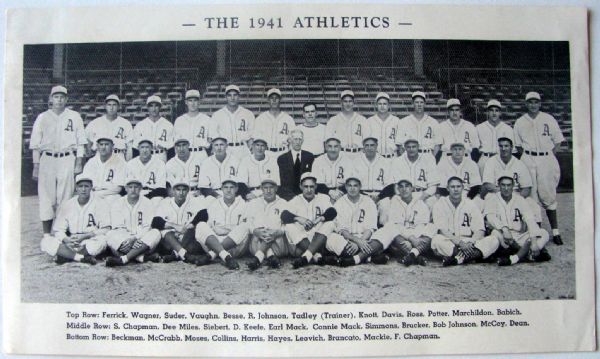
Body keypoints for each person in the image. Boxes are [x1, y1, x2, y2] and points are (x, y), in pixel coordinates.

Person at [29, 85, 87, 236]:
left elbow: (81, 142)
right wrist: (36, 165)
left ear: (66, 99)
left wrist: (79, 162)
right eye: (56, 96)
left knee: (66, 196)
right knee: (46, 196)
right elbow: (35, 143)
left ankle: (61, 232)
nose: (59, 100)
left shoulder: (74, 116)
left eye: (62, 97)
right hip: (47, 159)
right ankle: (47, 234)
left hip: (67, 157)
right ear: (51, 99)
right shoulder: (42, 117)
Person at [514, 91, 565, 245]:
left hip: (546, 157)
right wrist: (529, 158)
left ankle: (555, 232)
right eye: (530, 102)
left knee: (548, 194)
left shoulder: (548, 119)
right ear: (526, 104)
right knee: (532, 196)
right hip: (528, 157)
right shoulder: (520, 122)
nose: (533, 105)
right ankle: (538, 232)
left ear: (540, 103)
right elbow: (518, 145)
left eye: (536, 102)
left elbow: (557, 141)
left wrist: (547, 156)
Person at [40, 174, 110, 265]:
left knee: (102, 241)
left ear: (91, 188)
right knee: (46, 241)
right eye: (81, 186)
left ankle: (66, 255)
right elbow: (58, 230)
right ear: (76, 188)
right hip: (71, 240)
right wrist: (66, 239)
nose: (83, 189)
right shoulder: (68, 204)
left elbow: (106, 228)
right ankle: (80, 257)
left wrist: (86, 236)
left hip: (89, 239)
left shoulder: (100, 203)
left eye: (86, 186)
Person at [430, 177, 499, 266]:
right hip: (451, 241)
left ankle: (459, 259)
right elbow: (442, 230)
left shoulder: (470, 204)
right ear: (447, 188)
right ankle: (472, 257)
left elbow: (480, 229)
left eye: (458, 186)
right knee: (436, 240)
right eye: (452, 187)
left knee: (494, 240)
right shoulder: (440, 204)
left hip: (469, 241)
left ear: (463, 188)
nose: (456, 189)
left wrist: (471, 242)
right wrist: (460, 243)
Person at [484, 176, 551, 266]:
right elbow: (490, 217)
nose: (506, 188)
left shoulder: (520, 199)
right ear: (498, 186)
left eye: (509, 185)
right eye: (503, 185)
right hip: (502, 236)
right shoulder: (492, 199)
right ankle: (528, 253)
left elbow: (530, 219)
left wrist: (534, 242)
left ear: (513, 186)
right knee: (495, 234)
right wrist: (504, 229)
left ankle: (515, 257)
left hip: (519, 235)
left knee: (543, 233)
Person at [324, 176, 389, 267]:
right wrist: (356, 241)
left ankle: (356, 258)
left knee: (384, 233)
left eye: (355, 185)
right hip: (347, 239)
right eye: (349, 185)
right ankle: (370, 257)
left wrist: (360, 242)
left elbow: (371, 228)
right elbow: (342, 230)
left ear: (360, 187)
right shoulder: (340, 203)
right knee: (330, 238)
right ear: (346, 187)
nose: (352, 188)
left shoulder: (368, 201)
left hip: (365, 238)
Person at [281, 172, 337, 268]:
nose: (309, 190)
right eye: (306, 186)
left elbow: (332, 211)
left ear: (316, 186)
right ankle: (316, 256)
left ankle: (306, 256)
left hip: (318, 236)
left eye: (311, 186)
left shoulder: (323, 198)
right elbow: (284, 215)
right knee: (289, 226)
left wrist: (319, 219)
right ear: (301, 187)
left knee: (330, 223)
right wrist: (299, 219)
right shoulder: (295, 200)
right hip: (302, 238)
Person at [150, 177, 211, 265]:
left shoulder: (194, 201)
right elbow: (155, 222)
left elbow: (204, 214)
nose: (181, 193)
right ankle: (185, 255)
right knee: (165, 232)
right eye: (178, 189)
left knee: (193, 233)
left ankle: (176, 254)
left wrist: (192, 224)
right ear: (173, 190)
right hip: (171, 240)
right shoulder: (165, 202)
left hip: (187, 237)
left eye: (184, 190)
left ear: (188, 191)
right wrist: (174, 226)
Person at [104, 175, 162, 266]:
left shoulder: (148, 203)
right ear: (126, 189)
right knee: (109, 234)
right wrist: (128, 239)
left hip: (141, 239)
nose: (133, 189)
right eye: (130, 187)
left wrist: (135, 238)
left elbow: (148, 226)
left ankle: (124, 259)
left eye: (136, 187)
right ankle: (141, 258)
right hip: (125, 240)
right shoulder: (118, 203)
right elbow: (118, 227)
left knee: (156, 232)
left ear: (140, 188)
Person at [375, 178, 434, 266]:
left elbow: (422, 225)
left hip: (416, 233)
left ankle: (411, 254)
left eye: (407, 186)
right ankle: (416, 256)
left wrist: (414, 239)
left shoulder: (420, 203)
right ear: (398, 189)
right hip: (401, 235)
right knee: (390, 226)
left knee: (432, 227)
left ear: (412, 188)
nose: (404, 189)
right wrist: (411, 239)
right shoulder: (394, 202)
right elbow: (397, 226)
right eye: (401, 187)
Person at [481, 137, 541, 224]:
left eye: (506, 146)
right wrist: (503, 193)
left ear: (512, 148)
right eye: (501, 146)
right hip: (496, 193)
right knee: (489, 201)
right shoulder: (491, 162)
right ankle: (490, 229)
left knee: (533, 205)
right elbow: (487, 184)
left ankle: (536, 230)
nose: (503, 149)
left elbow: (526, 187)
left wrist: (517, 198)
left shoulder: (519, 164)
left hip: (515, 193)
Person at [194, 178, 251, 270]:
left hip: (234, 247)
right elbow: (210, 228)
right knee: (201, 225)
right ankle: (226, 257)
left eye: (232, 187)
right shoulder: (214, 204)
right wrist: (227, 229)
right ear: (221, 189)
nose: (228, 190)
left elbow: (241, 232)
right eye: (226, 187)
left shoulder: (244, 204)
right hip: (215, 242)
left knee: (245, 226)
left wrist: (223, 230)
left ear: (236, 189)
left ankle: (212, 255)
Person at [245, 175, 289, 270]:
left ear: (276, 188)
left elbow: (288, 226)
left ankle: (258, 258)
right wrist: (255, 231)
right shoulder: (254, 203)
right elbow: (247, 222)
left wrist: (279, 232)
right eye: (265, 188)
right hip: (257, 241)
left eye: (271, 187)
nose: (268, 191)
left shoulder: (284, 203)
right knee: (260, 229)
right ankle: (271, 257)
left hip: (277, 243)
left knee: (271, 229)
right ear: (261, 189)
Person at [390, 138, 439, 209]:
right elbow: (396, 186)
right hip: (404, 195)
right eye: (409, 147)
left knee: (432, 202)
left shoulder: (428, 160)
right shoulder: (398, 161)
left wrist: (421, 198)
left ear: (418, 147)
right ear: (405, 148)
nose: (411, 149)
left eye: (414, 146)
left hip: (423, 194)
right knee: (394, 201)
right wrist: (404, 198)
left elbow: (433, 186)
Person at [212, 84, 255, 159]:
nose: (232, 98)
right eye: (229, 95)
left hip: (243, 149)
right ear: (226, 97)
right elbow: (214, 136)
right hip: (225, 149)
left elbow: (252, 135)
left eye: (235, 95)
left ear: (239, 97)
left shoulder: (248, 114)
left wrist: (250, 148)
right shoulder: (217, 115)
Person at [85, 94, 133, 160]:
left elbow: (129, 148)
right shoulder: (95, 123)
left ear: (118, 107)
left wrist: (128, 164)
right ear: (105, 106)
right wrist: (91, 158)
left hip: (118, 155)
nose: (111, 107)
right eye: (109, 105)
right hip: (100, 156)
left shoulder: (126, 124)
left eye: (114, 105)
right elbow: (88, 142)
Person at [82, 134, 126, 202]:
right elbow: (85, 183)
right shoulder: (91, 162)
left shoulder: (120, 162)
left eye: (106, 144)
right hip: (93, 193)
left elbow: (118, 188)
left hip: (111, 195)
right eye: (101, 144)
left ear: (112, 146)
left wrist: (98, 195)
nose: (103, 147)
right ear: (97, 146)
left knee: (114, 199)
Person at [253, 88, 295, 158]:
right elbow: (256, 139)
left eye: (277, 98)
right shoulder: (260, 118)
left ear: (280, 100)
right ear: (268, 100)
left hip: (283, 152)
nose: (274, 100)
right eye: (272, 98)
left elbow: (292, 140)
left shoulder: (288, 119)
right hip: (266, 153)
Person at [475, 100, 515, 174]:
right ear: (487, 112)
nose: (494, 113)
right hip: (485, 158)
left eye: (496, 110)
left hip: (501, 159)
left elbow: (512, 150)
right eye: (491, 110)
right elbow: (475, 149)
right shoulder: (479, 128)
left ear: (500, 113)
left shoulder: (507, 129)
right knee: (484, 184)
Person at [131, 95, 174, 162]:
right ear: (147, 107)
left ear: (160, 107)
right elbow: (135, 149)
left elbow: (171, 150)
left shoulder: (168, 125)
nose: (154, 109)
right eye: (151, 106)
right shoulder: (140, 125)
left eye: (156, 105)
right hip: (145, 159)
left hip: (161, 156)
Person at [325, 90, 368, 157]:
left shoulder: (362, 119)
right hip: (341, 154)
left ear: (353, 102)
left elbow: (367, 140)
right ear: (341, 102)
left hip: (359, 154)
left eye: (350, 101)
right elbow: (328, 141)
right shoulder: (333, 120)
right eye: (345, 101)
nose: (348, 104)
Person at [312, 136, 355, 203]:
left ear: (340, 148)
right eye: (330, 146)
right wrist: (329, 192)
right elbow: (317, 183)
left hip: (343, 193)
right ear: (325, 148)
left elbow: (350, 181)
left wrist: (340, 192)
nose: (333, 149)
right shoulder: (318, 161)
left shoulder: (347, 160)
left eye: (336, 146)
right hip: (323, 193)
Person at [398, 91, 441, 157]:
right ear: (412, 104)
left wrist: (431, 157)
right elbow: (400, 145)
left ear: (424, 104)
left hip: (427, 155)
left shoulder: (433, 122)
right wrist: (405, 158)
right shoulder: (403, 121)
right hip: (409, 156)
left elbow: (437, 144)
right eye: (416, 102)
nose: (419, 104)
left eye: (421, 102)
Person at [125, 139, 167, 204]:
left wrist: (147, 196)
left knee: (157, 200)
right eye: (142, 147)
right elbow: (127, 185)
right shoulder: (131, 164)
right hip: (135, 193)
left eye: (147, 147)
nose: (144, 150)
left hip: (153, 195)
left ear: (151, 148)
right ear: (138, 148)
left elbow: (161, 188)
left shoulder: (160, 163)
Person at [353, 137, 394, 203]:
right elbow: (353, 184)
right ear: (363, 147)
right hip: (362, 195)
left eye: (372, 145)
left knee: (385, 206)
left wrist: (379, 197)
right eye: (367, 145)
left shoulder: (385, 162)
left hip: (381, 196)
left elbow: (390, 185)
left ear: (376, 146)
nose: (369, 148)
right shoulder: (356, 162)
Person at [276, 129, 314, 200]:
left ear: (302, 141)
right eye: (295, 139)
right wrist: (293, 198)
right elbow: (283, 183)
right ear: (290, 140)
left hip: (306, 194)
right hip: (288, 195)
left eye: (300, 139)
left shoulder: (309, 156)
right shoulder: (282, 158)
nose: (298, 142)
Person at [173, 89, 215, 154]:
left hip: (200, 152)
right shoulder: (179, 120)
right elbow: (176, 141)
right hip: (185, 153)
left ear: (199, 102)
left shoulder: (207, 119)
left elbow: (212, 139)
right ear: (186, 102)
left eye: (195, 100)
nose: (193, 103)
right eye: (190, 101)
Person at [365, 92, 402, 158]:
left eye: (384, 104)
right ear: (376, 105)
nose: (382, 106)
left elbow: (400, 145)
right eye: (380, 104)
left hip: (392, 158)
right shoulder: (369, 121)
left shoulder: (397, 121)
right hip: (375, 158)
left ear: (389, 105)